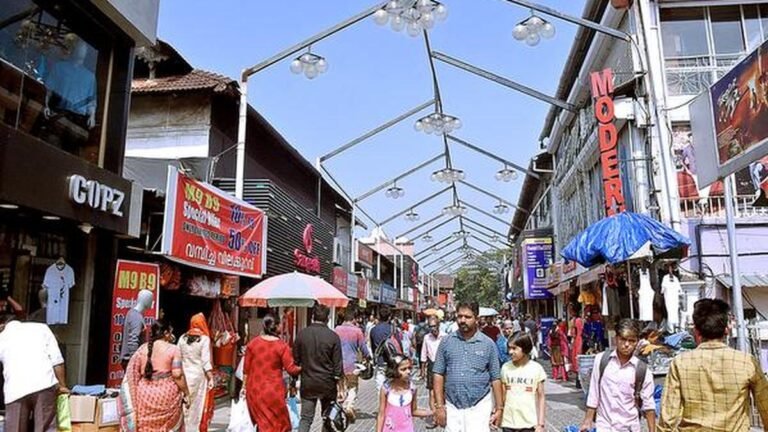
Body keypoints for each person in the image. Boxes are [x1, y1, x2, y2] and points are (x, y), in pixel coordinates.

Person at [658, 299, 768, 431]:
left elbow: (668, 418)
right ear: (726, 330)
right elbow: (765, 405)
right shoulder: (746, 362)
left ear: (696, 331)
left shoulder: (681, 363)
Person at [433, 301, 504, 432]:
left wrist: (499, 408)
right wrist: (439, 406)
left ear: (477, 318)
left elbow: (496, 377)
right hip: (452, 406)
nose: (462, 320)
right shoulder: (446, 342)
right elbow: (438, 373)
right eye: (460, 316)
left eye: (467, 317)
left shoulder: (488, 344)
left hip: (479, 406)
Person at [579, 319, 655, 432]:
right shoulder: (601, 360)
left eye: (632, 341)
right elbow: (594, 391)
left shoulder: (642, 370)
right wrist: (588, 420)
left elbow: (648, 405)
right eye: (623, 339)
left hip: (629, 427)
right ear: (616, 339)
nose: (627, 344)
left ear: (637, 342)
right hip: (604, 426)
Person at [0, 313, 68, 432]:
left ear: (2, 325)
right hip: (44, 384)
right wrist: (62, 386)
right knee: (45, 428)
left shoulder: (2, 336)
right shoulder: (42, 328)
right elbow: (57, 361)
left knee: (15, 428)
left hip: (15, 389)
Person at [119, 320, 190, 432]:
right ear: (166, 333)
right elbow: (177, 374)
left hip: (144, 396)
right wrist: (186, 392)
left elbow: (132, 373)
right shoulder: (174, 349)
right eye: (171, 332)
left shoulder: (142, 349)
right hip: (166, 396)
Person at [244, 314, 302, 432]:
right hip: (273, 390)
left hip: (254, 389)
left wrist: (243, 387)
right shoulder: (282, 346)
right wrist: (304, 367)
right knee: (278, 423)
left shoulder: (252, 344)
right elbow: (291, 369)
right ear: (277, 326)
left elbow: (246, 369)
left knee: (262, 422)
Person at [293, 304, 344, 432]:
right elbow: (338, 365)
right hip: (328, 384)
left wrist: (293, 381)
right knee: (327, 417)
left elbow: (295, 361)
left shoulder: (302, 335)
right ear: (327, 318)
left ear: (312, 317)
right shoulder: (333, 337)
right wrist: (341, 387)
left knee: (306, 418)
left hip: (308, 383)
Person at [500, 332, 546, 432]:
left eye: (514, 348)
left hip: (529, 423)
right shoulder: (505, 368)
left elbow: (541, 397)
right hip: (508, 422)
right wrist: (499, 414)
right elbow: (503, 395)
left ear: (525, 349)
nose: (510, 352)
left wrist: (541, 424)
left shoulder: (536, 368)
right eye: (509, 348)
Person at [376, 354, 433, 432]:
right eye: (403, 369)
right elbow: (381, 414)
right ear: (394, 371)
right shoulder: (386, 389)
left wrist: (432, 412)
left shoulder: (412, 389)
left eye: (409, 368)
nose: (408, 372)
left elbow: (414, 411)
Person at [178, 313, 215, 432]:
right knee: (196, 406)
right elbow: (205, 362)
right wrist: (211, 378)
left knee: (183, 405)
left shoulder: (182, 338)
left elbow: (177, 357)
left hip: (183, 376)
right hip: (198, 377)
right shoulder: (204, 339)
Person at [335, 304, 371, 423]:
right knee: (353, 387)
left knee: (341, 386)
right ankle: (349, 406)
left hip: (338, 364)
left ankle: (340, 408)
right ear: (354, 318)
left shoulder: (337, 329)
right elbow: (363, 348)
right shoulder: (357, 331)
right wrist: (368, 357)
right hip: (352, 365)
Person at [420, 316, 445, 429]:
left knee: (443, 393)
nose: (432, 328)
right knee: (432, 393)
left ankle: (444, 416)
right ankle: (435, 418)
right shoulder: (427, 338)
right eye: (430, 326)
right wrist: (422, 371)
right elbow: (423, 354)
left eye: (434, 326)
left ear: (438, 325)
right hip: (432, 365)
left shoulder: (445, 337)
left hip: (443, 366)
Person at [371, 306, 402, 390]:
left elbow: (373, 348)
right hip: (392, 362)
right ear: (389, 317)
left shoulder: (373, 330)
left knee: (381, 389)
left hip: (380, 362)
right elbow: (398, 345)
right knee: (392, 389)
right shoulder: (393, 330)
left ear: (379, 316)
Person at [568, 304, 584, 379]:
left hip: (577, 340)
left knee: (577, 356)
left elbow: (577, 332)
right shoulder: (576, 320)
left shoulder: (577, 320)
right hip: (576, 340)